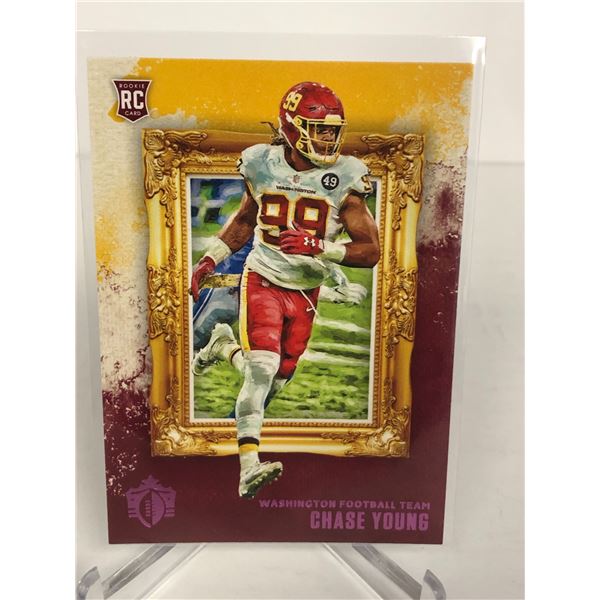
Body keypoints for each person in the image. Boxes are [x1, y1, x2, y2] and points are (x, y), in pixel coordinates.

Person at [190, 81, 380, 498]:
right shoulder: (261, 163)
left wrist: (321, 247)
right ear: (293, 128)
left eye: (333, 130)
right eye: (319, 129)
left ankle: (223, 347)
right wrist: (210, 259)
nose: (328, 139)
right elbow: (245, 219)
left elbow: (370, 251)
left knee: (277, 380)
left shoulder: (345, 176)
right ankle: (248, 467)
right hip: (263, 278)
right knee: (262, 370)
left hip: (306, 290)